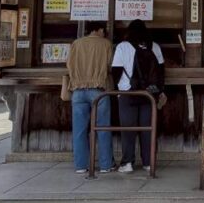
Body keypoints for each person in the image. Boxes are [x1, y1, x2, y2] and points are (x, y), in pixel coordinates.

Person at [111, 19, 164, 173]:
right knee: (148, 128)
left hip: (127, 92)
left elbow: (116, 71)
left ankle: (127, 163)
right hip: (149, 94)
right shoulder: (155, 46)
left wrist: (118, 90)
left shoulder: (122, 47)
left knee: (128, 128)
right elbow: (161, 72)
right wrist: (159, 90)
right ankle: (148, 162)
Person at [65, 21, 114, 174]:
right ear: (99, 30)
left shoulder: (76, 43)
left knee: (79, 130)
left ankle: (81, 165)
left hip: (78, 90)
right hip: (98, 90)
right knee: (103, 128)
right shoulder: (105, 44)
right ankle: (106, 165)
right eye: (103, 31)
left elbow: (69, 65)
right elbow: (110, 66)